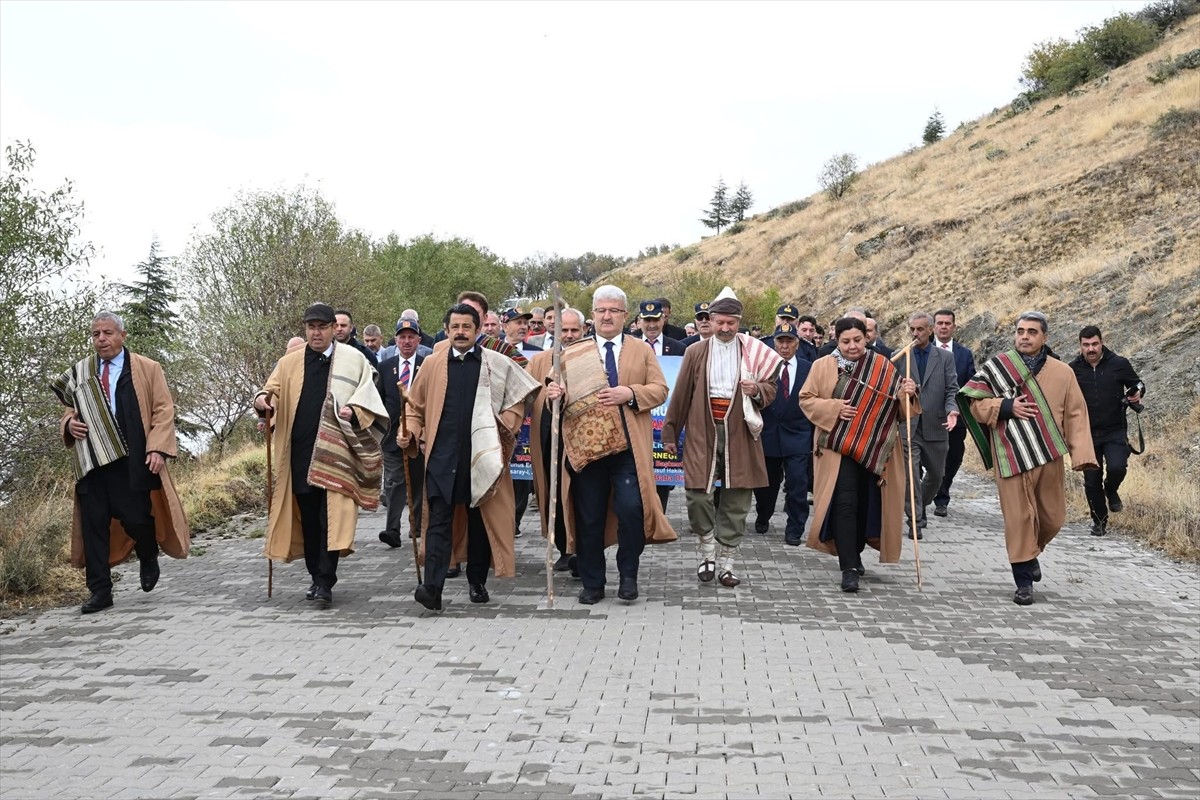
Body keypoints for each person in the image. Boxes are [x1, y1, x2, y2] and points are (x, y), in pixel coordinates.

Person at [402, 303, 540, 610]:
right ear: (447, 330)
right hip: (441, 457)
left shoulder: (496, 363)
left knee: (480, 521)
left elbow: (521, 397)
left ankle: (477, 581)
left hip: (481, 457)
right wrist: (410, 432)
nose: (461, 332)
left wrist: (505, 427)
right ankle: (433, 588)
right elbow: (414, 407)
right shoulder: (433, 364)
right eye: (455, 327)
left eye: (467, 327)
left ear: (478, 331)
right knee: (439, 521)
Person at [51, 310, 190, 614]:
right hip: (92, 460)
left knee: (137, 517)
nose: (101, 339)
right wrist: (68, 425)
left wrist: (157, 449)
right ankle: (100, 591)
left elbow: (163, 410)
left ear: (122, 336)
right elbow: (68, 408)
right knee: (93, 524)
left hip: (131, 458)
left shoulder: (147, 368)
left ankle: (147, 551)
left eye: (108, 333)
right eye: (96, 334)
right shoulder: (82, 371)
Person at [544, 288, 677, 603]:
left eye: (614, 310)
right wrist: (555, 396)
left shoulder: (641, 350)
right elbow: (552, 390)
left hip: (628, 448)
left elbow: (659, 390)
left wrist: (628, 393)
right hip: (587, 451)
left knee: (632, 509)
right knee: (589, 516)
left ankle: (628, 575)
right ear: (592, 315)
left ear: (624, 315)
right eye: (601, 310)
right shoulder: (572, 351)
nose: (607, 316)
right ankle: (593, 583)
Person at [959, 311, 1097, 605]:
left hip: (1048, 454)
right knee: (1019, 520)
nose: (1024, 336)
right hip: (1010, 454)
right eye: (1020, 331)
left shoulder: (1063, 372)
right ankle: (1023, 580)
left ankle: (1030, 552)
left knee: (1054, 517)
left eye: (1032, 332)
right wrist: (1005, 407)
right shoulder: (997, 367)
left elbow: (1076, 414)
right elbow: (975, 407)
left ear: (1045, 337)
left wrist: (1082, 455)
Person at [254, 303, 387, 606]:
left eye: (322, 327)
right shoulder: (290, 362)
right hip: (300, 454)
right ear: (306, 329)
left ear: (333, 329)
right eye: (311, 327)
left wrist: (354, 409)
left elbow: (368, 393)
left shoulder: (353, 360)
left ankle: (326, 580)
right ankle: (316, 576)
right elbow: (268, 390)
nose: (316, 333)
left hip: (337, 455)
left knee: (330, 519)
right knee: (311, 520)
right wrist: (262, 401)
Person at [663, 288, 780, 588]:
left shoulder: (752, 351)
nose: (726, 328)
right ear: (710, 321)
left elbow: (772, 388)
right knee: (697, 494)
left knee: (738, 497)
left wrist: (757, 391)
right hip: (703, 429)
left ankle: (727, 562)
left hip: (740, 430)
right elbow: (681, 394)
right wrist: (670, 432)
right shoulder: (695, 352)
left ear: (738, 322)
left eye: (732, 323)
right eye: (720, 322)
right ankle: (706, 549)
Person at [799, 317, 918, 592]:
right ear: (836, 340)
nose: (852, 346)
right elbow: (806, 399)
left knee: (866, 504)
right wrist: (834, 408)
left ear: (866, 338)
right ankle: (848, 567)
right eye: (845, 341)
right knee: (844, 503)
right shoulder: (822, 365)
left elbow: (901, 412)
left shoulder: (883, 366)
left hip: (875, 449)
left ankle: (854, 552)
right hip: (836, 449)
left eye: (857, 340)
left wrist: (907, 394)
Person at [526, 307, 587, 572]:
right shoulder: (539, 360)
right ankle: (564, 547)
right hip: (548, 436)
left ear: (584, 331)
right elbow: (524, 396)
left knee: (582, 496)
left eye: (575, 330)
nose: (570, 335)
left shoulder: (591, 359)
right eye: (565, 330)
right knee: (553, 492)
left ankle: (584, 550)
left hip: (584, 439)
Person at [1069, 325, 1145, 536]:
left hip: (1115, 431)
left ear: (1102, 342)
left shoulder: (1119, 364)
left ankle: (1110, 489)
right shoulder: (1072, 369)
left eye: (1094, 344)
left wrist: (1137, 393)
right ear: (1080, 346)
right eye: (1086, 345)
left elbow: (1138, 384)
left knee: (1118, 468)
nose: (1091, 349)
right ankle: (1099, 521)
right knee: (1091, 481)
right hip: (1087, 434)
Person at [897, 312, 959, 538]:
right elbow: (892, 391)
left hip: (936, 425)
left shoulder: (944, 358)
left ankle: (918, 505)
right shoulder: (901, 356)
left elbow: (952, 389)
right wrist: (903, 392)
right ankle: (915, 518)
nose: (915, 334)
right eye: (912, 329)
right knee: (910, 475)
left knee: (936, 475)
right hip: (908, 426)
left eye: (920, 329)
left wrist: (952, 409)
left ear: (931, 329)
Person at [752, 323, 812, 545]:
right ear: (774, 343)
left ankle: (795, 528)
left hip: (798, 434)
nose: (785, 346)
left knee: (797, 483)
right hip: (769, 434)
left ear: (797, 343)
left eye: (789, 341)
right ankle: (763, 513)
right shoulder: (764, 367)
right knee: (766, 486)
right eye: (780, 341)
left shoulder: (808, 368)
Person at [377, 319, 426, 549]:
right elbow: (378, 400)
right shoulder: (386, 367)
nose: (406, 341)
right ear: (396, 340)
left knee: (416, 482)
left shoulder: (426, 365)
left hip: (418, 434)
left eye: (411, 337)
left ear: (418, 339)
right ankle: (392, 529)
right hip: (391, 438)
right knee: (394, 482)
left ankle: (416, 526)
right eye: (402, 337)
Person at [931, 308, 977, 518]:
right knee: (928, 459)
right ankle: (931, 493)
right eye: (939, 323)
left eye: (947, 323)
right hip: (928, 417)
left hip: (956, 417)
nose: (943, 327)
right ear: (933, 327)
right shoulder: (923, 351)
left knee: (954, 457)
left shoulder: (964, 354)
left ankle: (943, 491)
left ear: (954, 327)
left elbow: (970, 382)